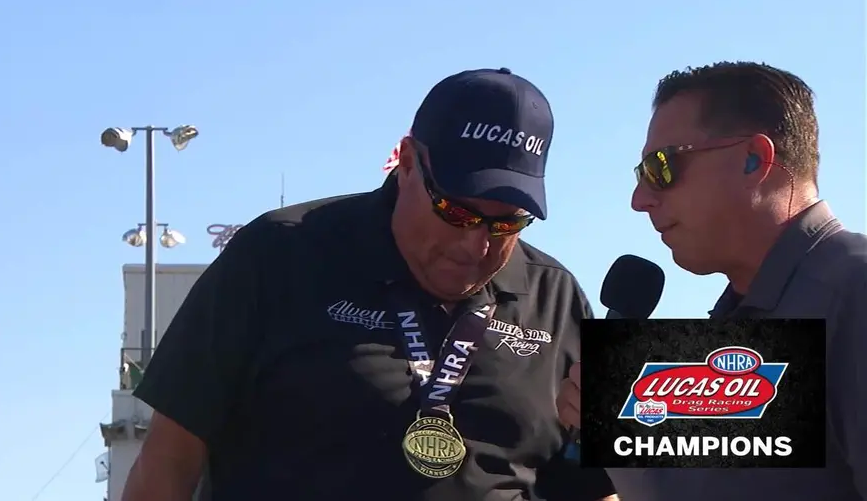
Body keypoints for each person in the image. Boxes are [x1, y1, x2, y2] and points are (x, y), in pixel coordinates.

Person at [122, 67, 617, 501]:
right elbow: (166, 463)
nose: (475, 244)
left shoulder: (557, 297)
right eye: (455, 211)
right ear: (407, 164)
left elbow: (597, 491)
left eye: (507, 223)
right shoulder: (277, 255)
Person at [558, 61, 866, 501]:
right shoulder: (739, 326)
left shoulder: (853, 295)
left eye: (662, 166)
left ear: (753, 159)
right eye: (642, 174)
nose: (639, 199)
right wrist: (622, 439)